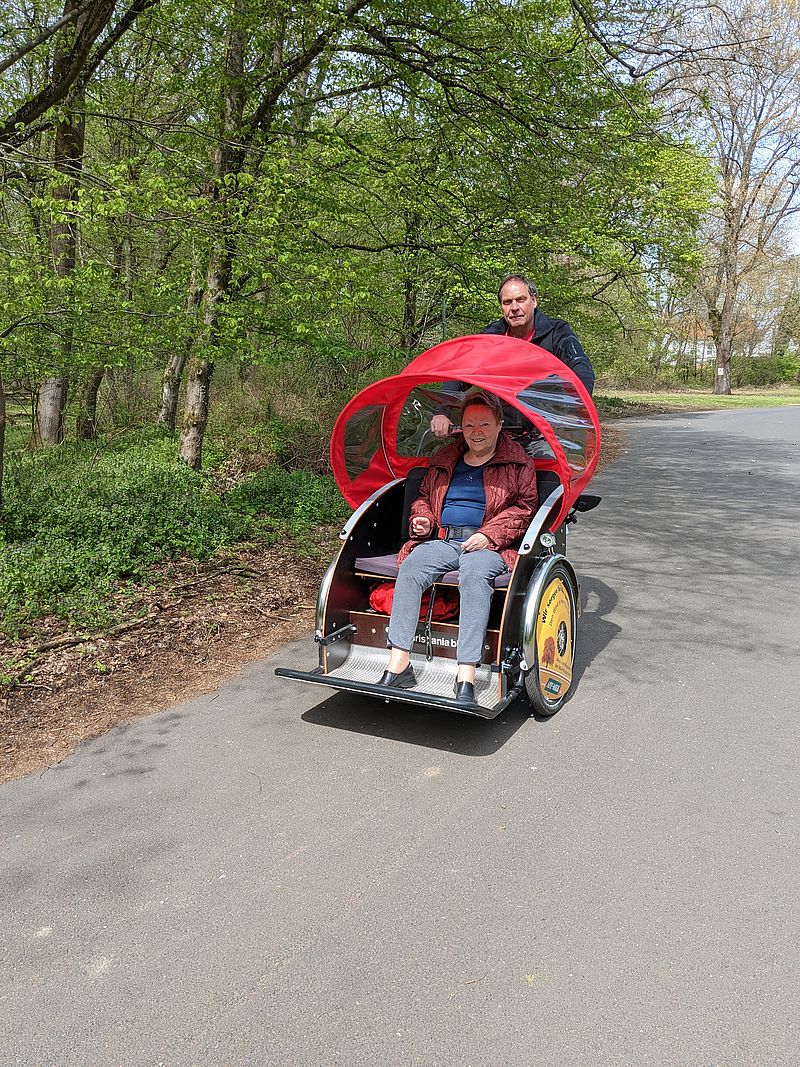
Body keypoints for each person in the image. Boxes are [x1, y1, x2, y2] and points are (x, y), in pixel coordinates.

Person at [377, 389, 538, 706]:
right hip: (444, 539)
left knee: (474, 575)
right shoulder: (444, 459)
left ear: (499, 424)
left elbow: (525, 507)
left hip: (488, 546)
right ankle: (399, 665)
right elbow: (424, 498)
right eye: (469, 425)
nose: (476, 433)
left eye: (484, 425)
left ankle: (466, 674)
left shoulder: (518, 463)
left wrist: (489, 535)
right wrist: (421, 519)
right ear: (460, 428)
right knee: (411, 568)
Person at [430, 274, 595, 439]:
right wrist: (441, 413)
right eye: (507, 302)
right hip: (498, 432)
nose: (514, 307)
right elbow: (460, 373)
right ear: (502, 307)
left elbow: (580, 366)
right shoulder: (491, 337)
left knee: (547, 460)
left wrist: (575, 410)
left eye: (521, 299)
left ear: (534, 300)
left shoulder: (556, 332)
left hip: (544, 432)